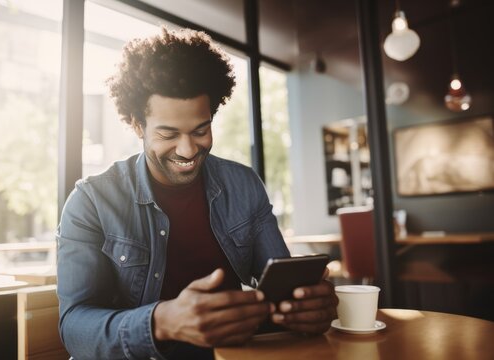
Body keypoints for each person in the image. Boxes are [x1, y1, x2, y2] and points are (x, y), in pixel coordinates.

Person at [56, 27, 337, 360]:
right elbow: (74, 328)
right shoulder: (91, 201)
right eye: (168, 134)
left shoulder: (243, 184)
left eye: (201, 130)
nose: (188, 150)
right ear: (136, 125)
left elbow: (281, 289)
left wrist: (308, 306)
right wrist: (162, 322)